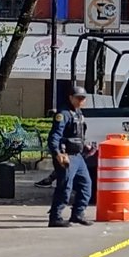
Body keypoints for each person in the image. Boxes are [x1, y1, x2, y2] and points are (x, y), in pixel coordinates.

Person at [47, 88, 92, 227]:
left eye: (83, 98)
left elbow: (78, 135)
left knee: (86, 185)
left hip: (78, 156)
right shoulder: (63, 114)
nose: (81, 101)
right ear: (71, 97)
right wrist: (57, 153)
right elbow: (54, 136)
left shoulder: (78, 113)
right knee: (65, 187)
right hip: (67, 156)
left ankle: (78, 214)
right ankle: (55, 217)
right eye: (78, 98)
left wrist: (85, 146)